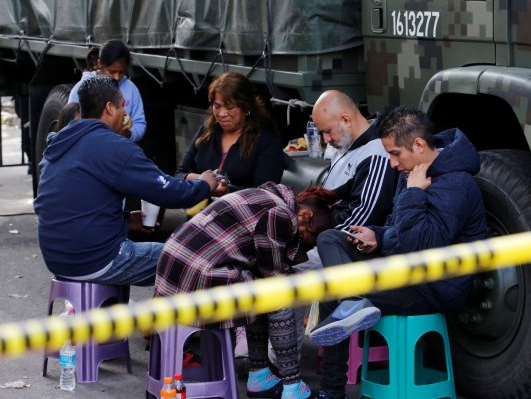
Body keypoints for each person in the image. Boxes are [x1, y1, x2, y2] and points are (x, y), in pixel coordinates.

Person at [309, 106, 487, 399]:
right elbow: (399, 230)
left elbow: (420, 245)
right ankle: (352, 300)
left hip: (432, 286)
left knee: (333, 293)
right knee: (331, 238)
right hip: (403, 268)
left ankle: (331, 391)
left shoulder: (456, 183)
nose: (391, 163)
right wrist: (377, 236)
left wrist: (414, 193)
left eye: (395, 154)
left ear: (418, 145)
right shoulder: (413, 170)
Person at [34, 76, 227, 287]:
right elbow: (166, 191)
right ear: (109, 108)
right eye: (122, 106)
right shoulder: (112, 145)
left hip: (57, 260)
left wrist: (124, 220)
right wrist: (204, 185)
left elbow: (74, 205)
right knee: (193, 257)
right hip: (96, 260)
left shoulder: (61, 142)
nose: (126, 114)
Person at [155, 183, 339, 399]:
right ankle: (293, 387)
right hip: (196, 278)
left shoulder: (267, 197)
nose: (306, 245)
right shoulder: (279, 214)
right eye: (310, 238)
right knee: (280, 296)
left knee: (261, 288)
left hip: (177, 272)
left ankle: (259, 375)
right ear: (305, 216)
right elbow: (275, 278)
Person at [175, 71, 284, 192]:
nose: (222, 114)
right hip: (202, 209)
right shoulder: (206, 132)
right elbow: (179, 175)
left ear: (246, 107)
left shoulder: (266, 140)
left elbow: (264, 193)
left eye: (230, 107)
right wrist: (202, 181)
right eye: (217, 106)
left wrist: (227, 191)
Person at [311, 90, 397, 231]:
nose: (325, 139)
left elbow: (364, 218)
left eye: (327, 131)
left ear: (346, 120)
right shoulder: (345, 143)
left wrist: (317, 235)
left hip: (339, 240)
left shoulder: (375, 152)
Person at [68, 40, 146, 142]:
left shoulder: (131, 90)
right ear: (99, 63)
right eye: (112, 72)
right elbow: (71, 121)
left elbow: (139, 123)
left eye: (121, 72)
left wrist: (129, 134)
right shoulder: (83, 88)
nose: (117, 77)